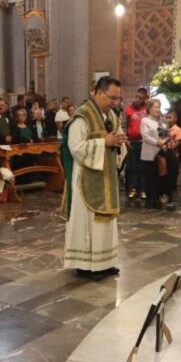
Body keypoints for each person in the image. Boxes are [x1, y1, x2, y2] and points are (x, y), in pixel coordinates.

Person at [62, 76, 128, 278]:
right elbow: (76, 148)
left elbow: (116, 138)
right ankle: (86, 266)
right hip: (87, 179)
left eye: (118, 99)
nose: (115, 103)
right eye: (112, 98)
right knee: (88, 223)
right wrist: (104, 143)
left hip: (106, 177)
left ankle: (105, 262)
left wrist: (120, 143)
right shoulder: (81, 117)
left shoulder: (112, 117)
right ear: (98, 92)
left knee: (106, 222)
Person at [139, 100, 166, 209]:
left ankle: (157, 198)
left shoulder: (162, 121)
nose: (158, 109)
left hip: (160, 152)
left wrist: (165, 141)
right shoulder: (145, 121)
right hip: (149, 153)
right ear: (149, 108)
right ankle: (149, 199)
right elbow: (145, 136)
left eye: (159, 107)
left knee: (158, 176)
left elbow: (167, 133)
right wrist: (157, 142)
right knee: (149, 177)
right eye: (155, 107)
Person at [124, 90, 148, 201]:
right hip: (132, 142)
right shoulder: (128, 109)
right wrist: (126, 139)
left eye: (141, 98)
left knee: (143, 167)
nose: (137, 100)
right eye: (136, 97)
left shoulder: (147, 109)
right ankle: (132, 189)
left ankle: (143, 189)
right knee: (132, 167)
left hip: (145, 142)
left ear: (145, 98)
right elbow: (124, 125)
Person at [160, 110, 181, 208]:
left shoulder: (177, 129)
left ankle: (170, 197)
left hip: (172, 155)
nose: (168, 119)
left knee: (171, 176)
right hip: (163, 154)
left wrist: (170, 148)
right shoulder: (164, 129)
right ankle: (162, 195)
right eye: (167, 117)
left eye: (170, 117)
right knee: (163, 175)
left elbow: (178, 142)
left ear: (175, 119)